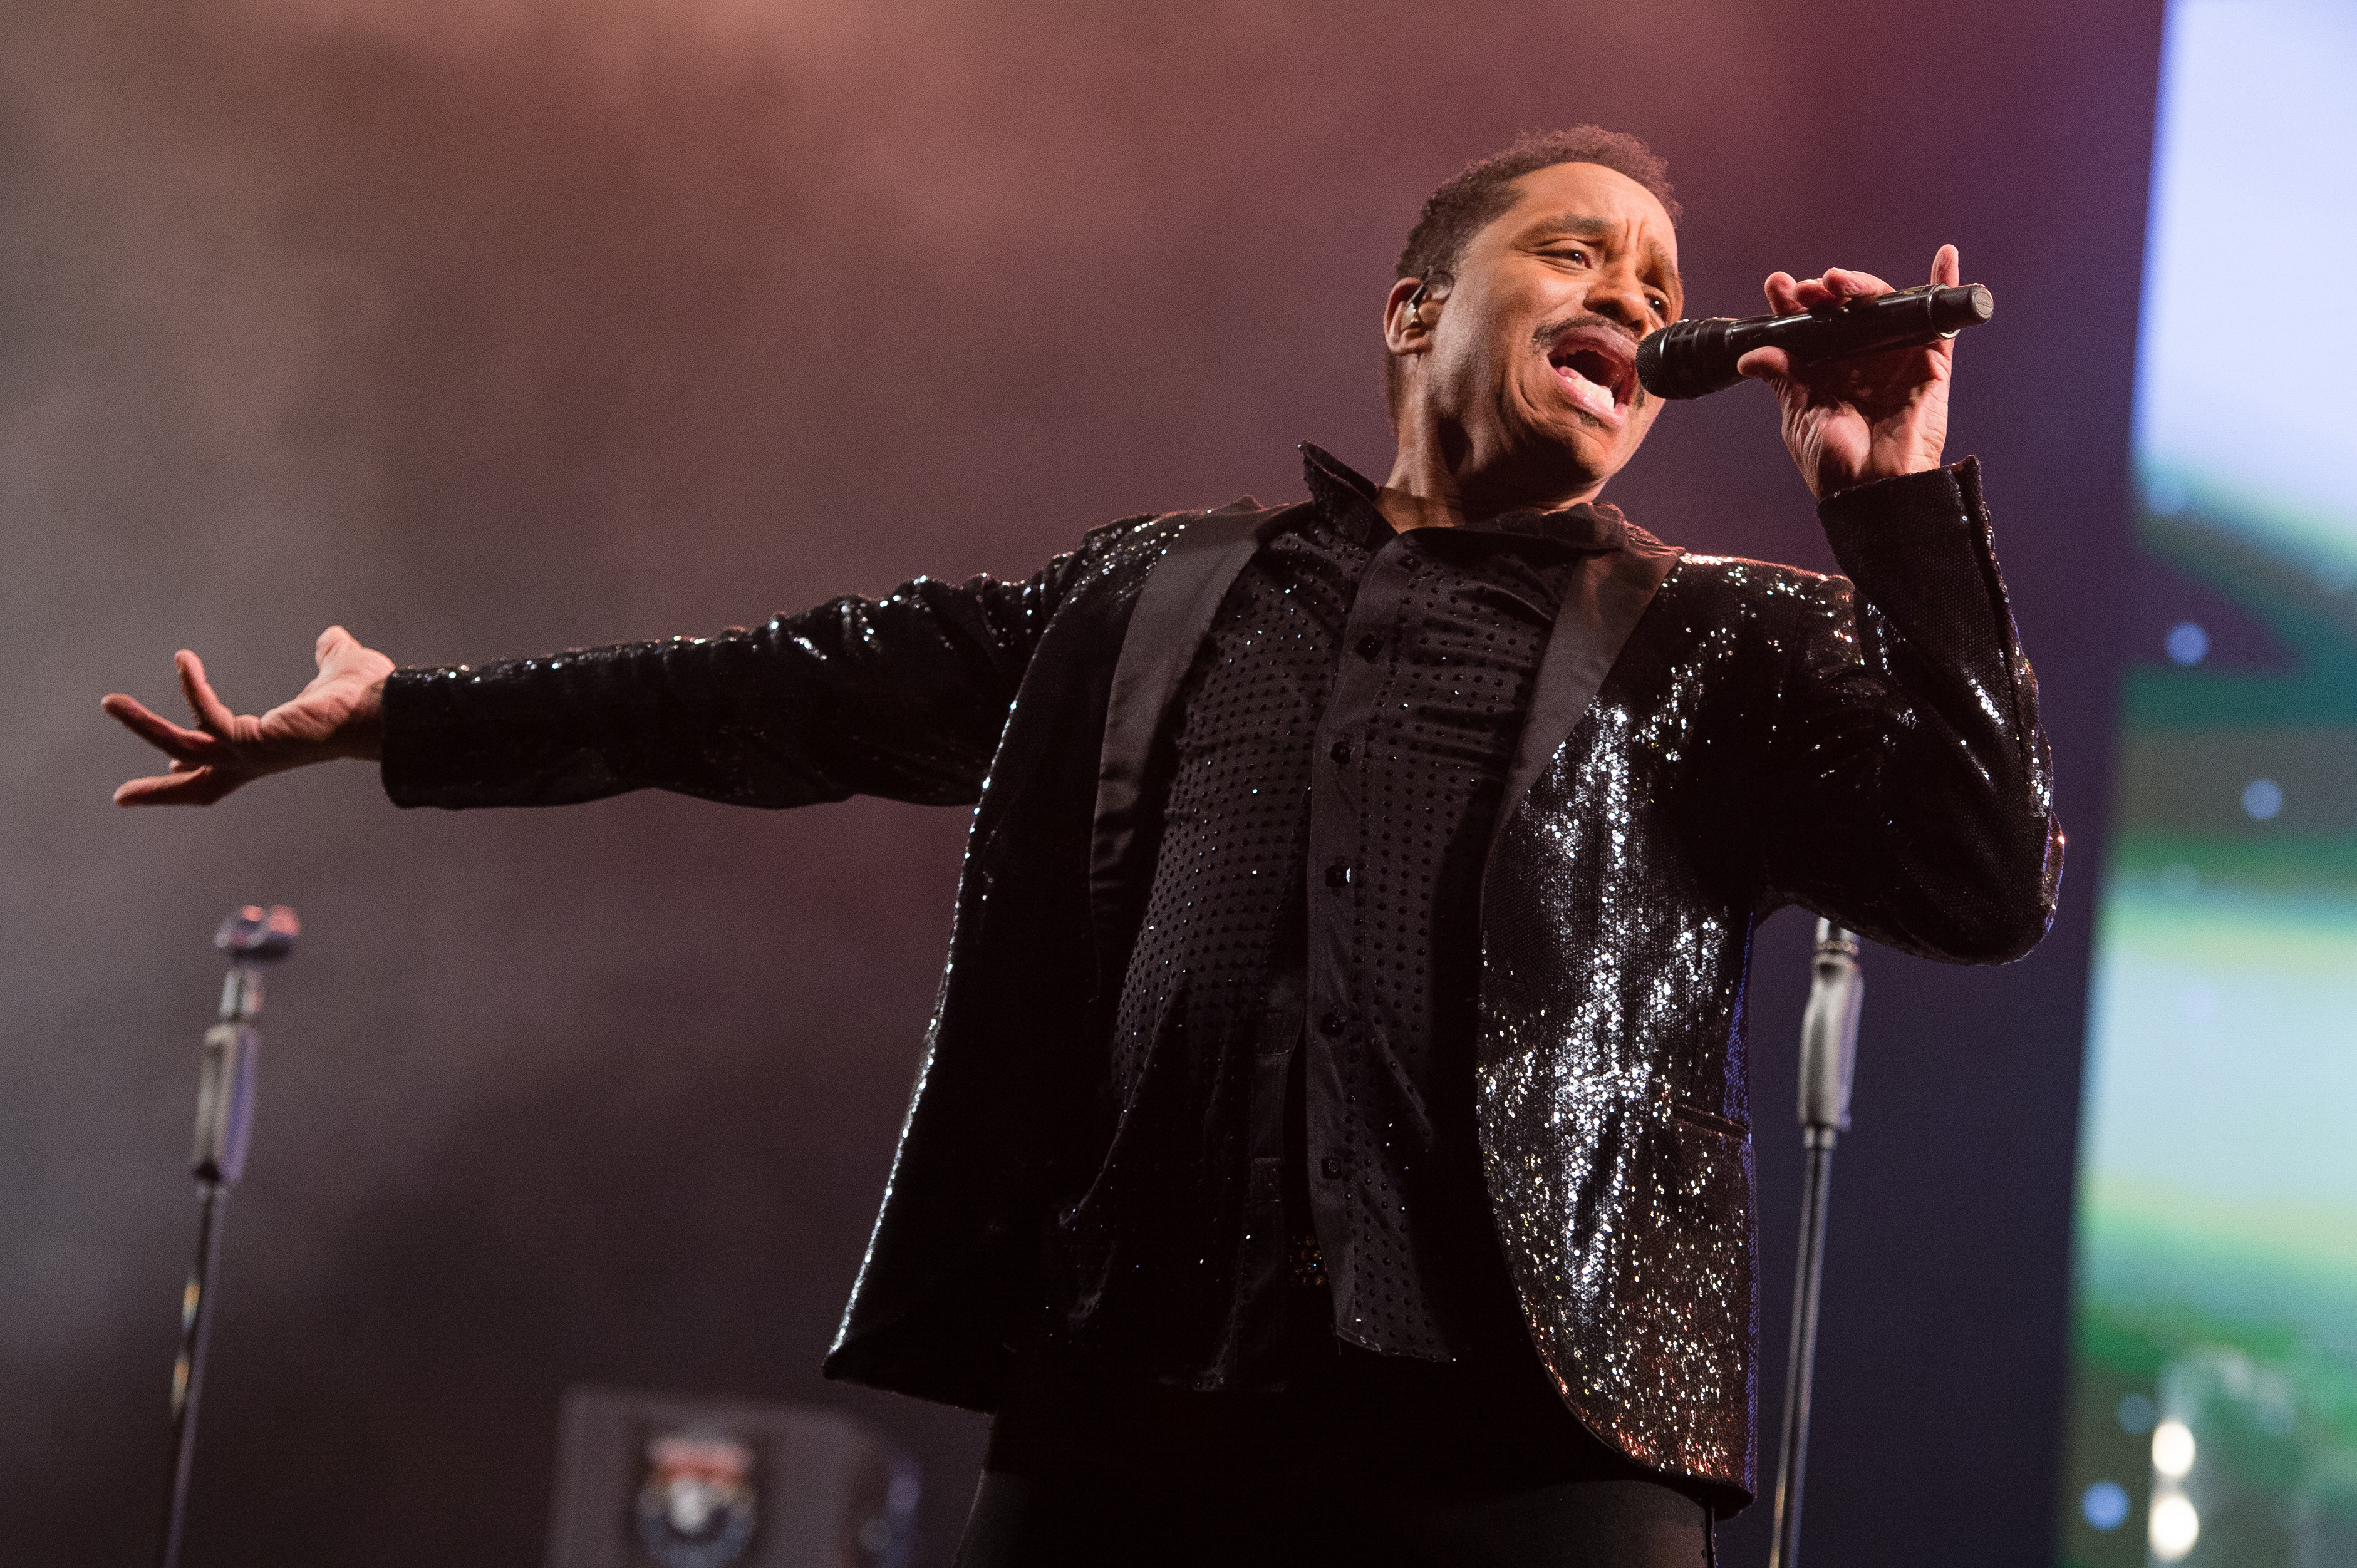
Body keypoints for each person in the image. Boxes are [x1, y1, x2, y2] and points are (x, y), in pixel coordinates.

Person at [103, 127, 2061, 1567]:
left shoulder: (1715, 636)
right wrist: (416, 716)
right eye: (1577, 252)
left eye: (1658, 279)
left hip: (1535, 1427)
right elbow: (787, 690)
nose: (1637, 297)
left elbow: (1977, 884)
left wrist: (1893, 513)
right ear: (1411, 310)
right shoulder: (1159, 591)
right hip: (1138, 1396)